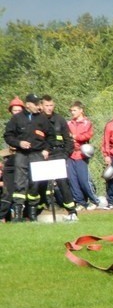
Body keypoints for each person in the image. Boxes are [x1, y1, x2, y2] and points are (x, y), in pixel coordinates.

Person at [3, 94, 53, 222]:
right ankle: (18, 214)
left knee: (35, 183)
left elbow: (51, 137)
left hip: (37, 154)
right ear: (28, 105)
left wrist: (46, 150)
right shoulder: (17, 119)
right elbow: (8, 136)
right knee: (19, 183)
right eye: (36, 104)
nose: (39, 107)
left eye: (39, 104)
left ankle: (32, 213)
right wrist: (19, 143)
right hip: (21, 155)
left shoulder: (42, 119)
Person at [40, 95, 78, 220]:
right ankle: (35, 212)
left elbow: (68, 139)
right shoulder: (38, 120)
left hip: (59, 154)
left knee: (62, 182)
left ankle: (72, 211)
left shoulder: (60, 119)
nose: (49, 108)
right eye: (46, 105)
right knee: (41, 184)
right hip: (43, 156)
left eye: (51, 105)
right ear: (41, 106)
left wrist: (65, 155)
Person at [66, 101, 100, 211]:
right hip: (71, 154)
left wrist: (75, 136)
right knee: (73, 180)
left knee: (84, 179)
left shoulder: (86, 123)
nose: (72, 112)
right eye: (71, 110)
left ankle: (94, 200)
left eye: (74, 110)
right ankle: (80, 202)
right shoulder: (69, 123)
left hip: (81, 154)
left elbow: (87, 135)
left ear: (81, 110)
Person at [0, 98, 25, 220]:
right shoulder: (10, 125)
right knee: (8, 190)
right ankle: (2, 216)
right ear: (11, 112)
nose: (17, 112)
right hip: (10, 160)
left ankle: (23, 215)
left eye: (19, 110)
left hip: (23, 159)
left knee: (22, 189)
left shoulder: (27, 125)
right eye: (15, 110)